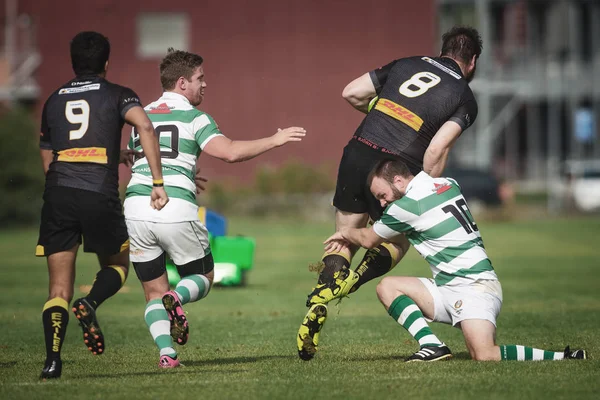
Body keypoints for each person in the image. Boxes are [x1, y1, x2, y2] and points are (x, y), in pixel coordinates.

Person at [297, 26, 483, 360]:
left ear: (443, 50)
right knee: (396, 239)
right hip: (396, 167)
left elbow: (351, 93)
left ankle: (321, 295)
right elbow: (435, 151)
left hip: (357, 151)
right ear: (472, 62)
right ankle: (351, 284)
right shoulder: (464, 97)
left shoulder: (408, 63)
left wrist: (384, 114)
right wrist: (428, 189)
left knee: (345, 235)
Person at [123, 48, 306, 368]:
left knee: (152, 290)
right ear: (182, 83)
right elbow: (230, 152)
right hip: (173, 205)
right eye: (200, 79)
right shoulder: (195, 118)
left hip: (136, 205)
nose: (205, 85)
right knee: (203, 275)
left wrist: (186, 173)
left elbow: (143, 158)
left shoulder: (140, 114)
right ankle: (177, 299)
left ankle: (167, 354)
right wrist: (274, 141)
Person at [323, 159, 586, 362]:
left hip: (474, 286)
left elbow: (369, 239)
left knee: (485, 355)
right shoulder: (448, 183)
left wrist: (345, 231)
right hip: (449, 285)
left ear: (400, 181)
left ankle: (563, 356)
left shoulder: (407, 207)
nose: (382, 204)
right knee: (388, 287)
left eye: (382, 195)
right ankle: (432, 346)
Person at [36, 32, 168, 380]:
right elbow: (146, 127)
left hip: (58, 195)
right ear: (106, 63)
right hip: (98, 195)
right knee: (119, 263)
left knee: (58, 289)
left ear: (72, 62)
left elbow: (50, 153)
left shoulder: (53, 99)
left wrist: (63, 186)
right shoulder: (118, 94)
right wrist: (157, 182)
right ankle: (90, 302)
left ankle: (52, 361)